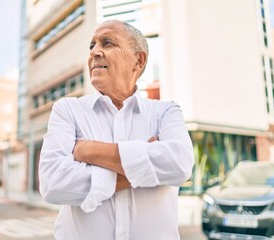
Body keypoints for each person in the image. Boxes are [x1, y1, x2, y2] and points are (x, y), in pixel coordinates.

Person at [39, 19, 194, 240]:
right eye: (92, 46)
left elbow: (179, 164)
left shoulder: (165, 112)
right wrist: (145, 170)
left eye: (108, 43)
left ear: (138, 61)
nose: (95, 52)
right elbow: (53, 183)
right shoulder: (67, 110)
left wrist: (90, 151)